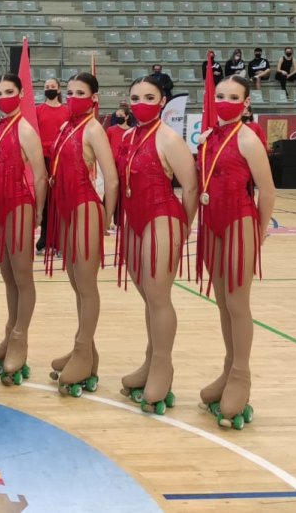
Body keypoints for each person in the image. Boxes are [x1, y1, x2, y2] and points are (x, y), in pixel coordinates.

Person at [195, 75, 276, 430]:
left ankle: (241, 375)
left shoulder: (247, 138)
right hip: (210, 222)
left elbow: (268, 190)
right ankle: (228, 368)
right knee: (222, 301)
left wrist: (258, 232)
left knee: (238, 302)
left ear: (245, 103)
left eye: (233, 97)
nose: (225, 101)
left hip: (239, 221)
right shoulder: (209, 137)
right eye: (220, 95)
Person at [116, 76, 197, 414]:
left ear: (163, 101)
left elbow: (190, 188)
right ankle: (151, 360)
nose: (141, 103)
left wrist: (183, 226)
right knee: (147, 294)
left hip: (162, 216)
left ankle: (163, 366)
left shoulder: (169, 138)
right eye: (135, 97)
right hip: (133, 219)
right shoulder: (129, 136)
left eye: (149, 97)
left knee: (158, 295)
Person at [47, 73, 118, 398]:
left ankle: (82, 349)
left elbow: (112, 179)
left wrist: (107, 217)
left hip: (87, 208)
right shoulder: (67, 127)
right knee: (76, 282)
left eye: (80, 93)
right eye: (69, 91)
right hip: (67, 210)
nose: (73, 97)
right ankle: (86, 350)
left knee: (86, 285)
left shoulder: (93, 129)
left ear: (93, 98)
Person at [0, 73, 47, 386]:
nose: (3, 96)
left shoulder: (25, 129)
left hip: (19, 205)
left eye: (9, 91)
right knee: (7, 275)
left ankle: (21, 338)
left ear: (20, 93)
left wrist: (38, 213)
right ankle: (9, 333)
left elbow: (41, 174)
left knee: (22, 277)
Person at [35, 77, 67, 254]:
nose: (49, 89)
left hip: (61, 161)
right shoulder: (37, 110)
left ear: (59, 89)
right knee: (45, 201)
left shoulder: (67, 111)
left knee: (60, 201)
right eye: (47, 86)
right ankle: (45, 238)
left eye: (52, 86)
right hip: (43, 161)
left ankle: (60, 241)